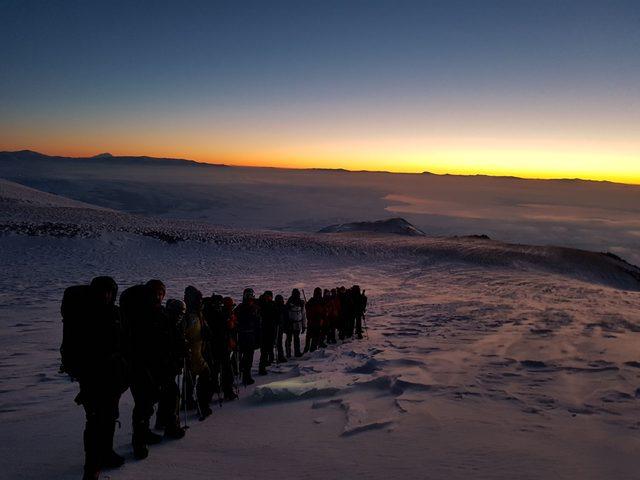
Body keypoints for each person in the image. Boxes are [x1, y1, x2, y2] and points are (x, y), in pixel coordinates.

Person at [61, 276, 129, 480]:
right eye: (103, 291)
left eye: (110, 292)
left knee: (109, 417)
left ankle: (106, 454)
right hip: (93, 376)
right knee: (95, 421)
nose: (107, 296)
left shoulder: (115, 313)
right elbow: (78, 346)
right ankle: (91, 466)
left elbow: (123, 340)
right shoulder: (84, 314)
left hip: (113, 374)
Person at [120, 280, 170, 459]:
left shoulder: (152, 312)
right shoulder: (146, 314)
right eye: (157, 293)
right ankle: (139, 442)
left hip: (147, 363)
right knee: (143, 403)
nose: (159, 296)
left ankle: (143, 434)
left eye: (161, 293)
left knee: (147, 402)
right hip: (142, 364)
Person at [154, 297, 187, 439]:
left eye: (182, 314)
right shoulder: (166, 326)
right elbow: (166, 348)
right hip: (164, 367)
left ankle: (161, 422)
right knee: (172, 395)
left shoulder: (170, 325)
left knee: (167, 395)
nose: (180, 316)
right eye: (178, 313)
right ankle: (171, 427)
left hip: (166, 367)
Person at [184, 286, 213, 420]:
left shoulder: (197, 315)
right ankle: (202, 406)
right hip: (193, 352)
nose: (201, 302)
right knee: (204, 377)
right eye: (199, 300)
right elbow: (187, 335)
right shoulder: (191, 316)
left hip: (199, 350)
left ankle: (189, 402)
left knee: (191, 380)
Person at [203, 293, 237, 401]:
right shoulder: (219, 314)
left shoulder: (209, 314)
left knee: (215, 370)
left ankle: (212, 391)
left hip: (214, 346)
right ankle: (226, 391)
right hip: (220, 346)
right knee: (225, 370)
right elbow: (227, 327)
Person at [234, 288, 261, 385]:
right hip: (243, 335)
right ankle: (243, 374)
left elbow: (258, 323)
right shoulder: (240, 308)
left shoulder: (254, 308)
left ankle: (246, 375)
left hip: (250, 335)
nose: (250, 298)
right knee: (243, 357)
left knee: (248, 357)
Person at [258, 291, 277, 375]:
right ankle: (262, 367)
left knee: (268, 347)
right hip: (265, 329)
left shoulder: (269, 303)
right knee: (264, 349)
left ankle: (267, 362)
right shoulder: (263, 304)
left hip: (269, 328)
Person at [285, 288, 306, 357]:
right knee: (289, 339)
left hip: (297, 323)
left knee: (296, 338)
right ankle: (288, 353)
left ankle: (297, 352)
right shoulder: (289, 303)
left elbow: (303, 315)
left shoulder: (301, 303)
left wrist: (304, 325)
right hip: (290, 324)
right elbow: (286, 315)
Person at [304, 287, 326, 352]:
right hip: (317, 321)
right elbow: (324, 311)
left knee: (309, 336)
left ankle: (307, 348)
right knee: (315, 336)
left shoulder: (311, 300)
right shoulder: (321, 300)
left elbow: (307, 309)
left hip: (312, 321)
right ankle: (312, 349)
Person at [274, 294, 288, 363]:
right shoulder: (277, 307)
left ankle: (279, 356)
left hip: (279, 326)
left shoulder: (281, 307)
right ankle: (279, 356)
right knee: (278, 342)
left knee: (278, 342)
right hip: (277, 326)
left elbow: (286, 317)